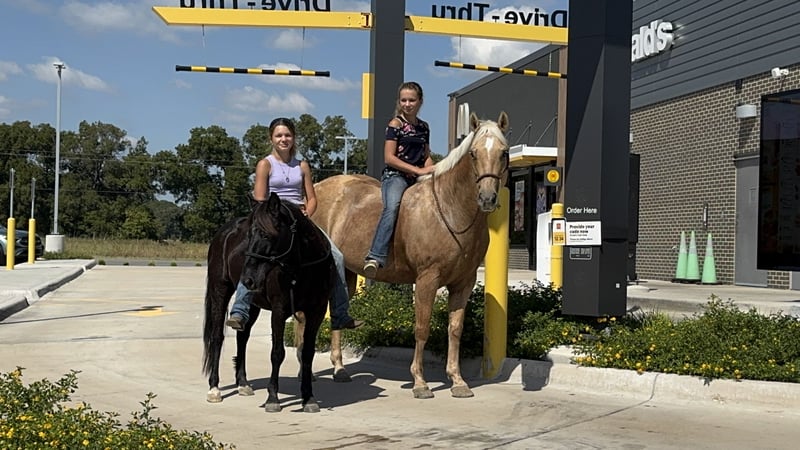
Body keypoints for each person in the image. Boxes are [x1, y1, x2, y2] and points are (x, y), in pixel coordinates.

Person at [227, 117, 363, 331]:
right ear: (271, 139)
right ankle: (240, 309)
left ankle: (340, 313)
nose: (284, 139)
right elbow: (260, 200)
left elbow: (312, 198)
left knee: (336, 256)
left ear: (294, 138)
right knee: (253, 254)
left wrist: (307, 213)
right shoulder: (265, 164)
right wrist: (273, 216)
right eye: (279, 135)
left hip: (298, 219)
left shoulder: (302, 165)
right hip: (272, 219)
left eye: (287, 135)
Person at [363, 81, 435, 278]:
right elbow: (389, 158)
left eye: (411, 100)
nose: (407, 104)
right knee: (392, 206)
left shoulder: (424, 127)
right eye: (403, 100)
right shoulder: (395, 125)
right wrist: (417, 170)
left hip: (419, 176)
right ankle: (375, 255)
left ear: (420, 101)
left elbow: (426, 155)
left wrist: (432, 170)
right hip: (396, 176)